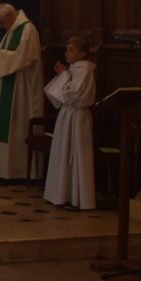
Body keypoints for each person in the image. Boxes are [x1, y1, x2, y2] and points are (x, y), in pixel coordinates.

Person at [0, 3, 44, 180]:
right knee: (6, 127)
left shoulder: (27, 30)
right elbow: (1, 53)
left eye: (1, 22)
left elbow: (24, 57)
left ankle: (16, 172)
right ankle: (2, 170)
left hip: (21, 89)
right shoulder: (12, 30)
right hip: (8, 86)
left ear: (10, 16)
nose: (1, 27)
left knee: (17, 126)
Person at [43, 36, 97, 210]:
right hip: (67, 116)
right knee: (64, 154)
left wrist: (64, 76)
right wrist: (65, 75)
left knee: (76, 155)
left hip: (77, 117)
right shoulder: (74, 70)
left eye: (71, 50)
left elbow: (72, 94)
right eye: (67, 49)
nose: (67, 53)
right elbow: (62, 94)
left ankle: (77, 198)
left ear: (82, 53)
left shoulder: (84, 71)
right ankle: (62, 194)